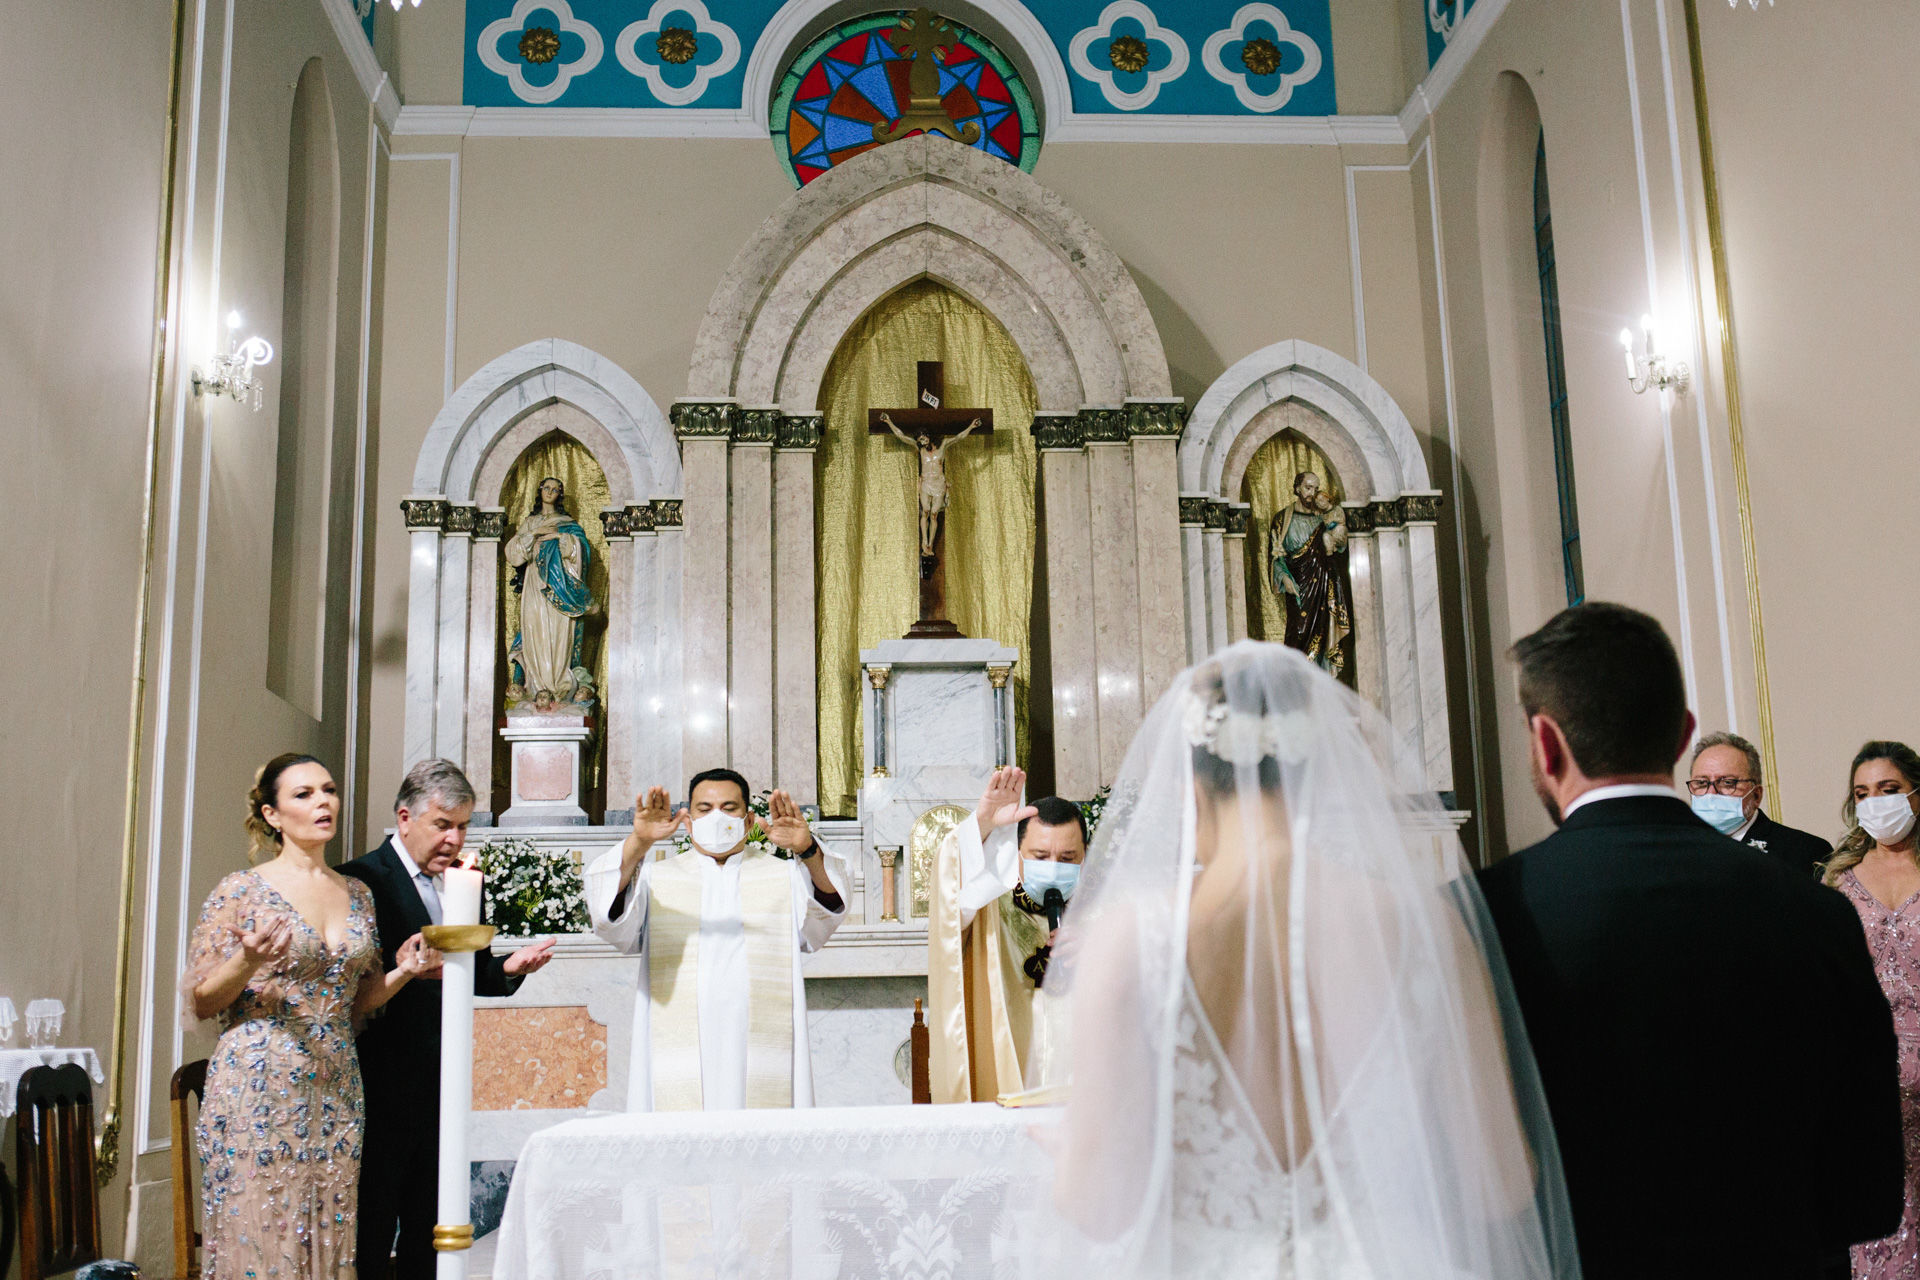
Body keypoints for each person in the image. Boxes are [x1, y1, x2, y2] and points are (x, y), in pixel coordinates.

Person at [1046, 641, 1578, 1277]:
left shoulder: (1129, 939)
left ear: (1190, 788)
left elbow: (1098, 1208)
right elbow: (1501, 1187)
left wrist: (1067, 1145)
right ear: (1323, 770)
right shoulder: (1427, 927)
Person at [1477, 603, 1901, 1278]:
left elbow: (1467, 1192)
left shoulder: (1481, 917)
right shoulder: (1814, 910)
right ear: (1682, 736)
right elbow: (1868, 1197)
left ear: (1545, 743)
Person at [182, 753, 440, 1280]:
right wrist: (248, 960)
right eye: (303, 794)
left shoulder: (359, 893)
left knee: (331, 1230)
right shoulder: (239, 890)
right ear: (272, 815)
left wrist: (402, 973)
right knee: (261, 1235)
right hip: (259, 1087)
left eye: (327, 789)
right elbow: (202, 1001)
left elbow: (356, 999)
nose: (322, 801)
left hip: (338, 1086)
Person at [337, 759, 555, 1280]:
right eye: (443, 824)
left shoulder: (459, 884)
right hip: (378, 1074)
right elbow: (346, 987)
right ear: (405, 817)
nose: (454, 839)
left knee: (429, 1220)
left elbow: (468, 968)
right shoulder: (360, 879)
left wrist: (507, 967)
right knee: (372, 1219)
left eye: (463, 826)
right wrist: (405, 971)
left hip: (441, 1075)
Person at [584, 770, 849, 1109]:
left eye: (729, 807)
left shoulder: (782, 875)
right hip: (676, 1049)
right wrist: (641, 842)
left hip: (761, 1046)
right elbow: (609, 921)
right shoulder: (657, 877)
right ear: (689, 821)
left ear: (749, 819)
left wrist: (808, 849)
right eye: (705, 809)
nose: (717, 817)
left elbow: (828, 913)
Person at [925, 768, 1084, 1101]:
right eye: (1040, 857)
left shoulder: (1107, 913)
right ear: (1018, 852)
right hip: (1005, 1074)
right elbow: (950, 899)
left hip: (1085, 1085)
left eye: (1068, 858)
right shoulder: (989, 903)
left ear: (1086, 855)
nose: (1054, 867)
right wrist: (983, 825)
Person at [1822, 741, 1920, 1280]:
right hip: (1872, 1085)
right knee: (1889, 1235)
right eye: (1862, 793)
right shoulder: (1839, 879)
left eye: (1888, 790)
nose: (1875, 803)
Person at [502, 475, 595, 706]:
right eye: (547, 487)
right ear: (540, 491)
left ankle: (560, 686)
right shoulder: (530, 523)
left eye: (556, 489)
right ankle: (535, 685)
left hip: (559, 585)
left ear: (560, 494)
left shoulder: (566, 522)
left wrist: (559, 536)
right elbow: (514, 554)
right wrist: (534, 533)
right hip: (535, 585)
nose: (551, 492)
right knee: (534, 629)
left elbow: (581, 550)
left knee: (558, 633)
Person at [1687, 730, 1832, 875]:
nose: (1711, 794)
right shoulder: (1678, 851)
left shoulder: (1806, 852)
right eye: (1701, 783)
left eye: (1728, 783)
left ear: (1756, 795)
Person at [1267, 470, 1351, 677]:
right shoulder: (1282, 519)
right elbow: (1276, 556)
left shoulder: (1322, 518)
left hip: (1322, 585)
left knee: (1323, 632)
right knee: (1298, 632)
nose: (1312, 493)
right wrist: (1284, 577)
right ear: (1297, 488)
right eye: (1307, 487)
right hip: (1299, 586)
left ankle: (1321, 681)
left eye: (1315, 488)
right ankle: (1297, 681)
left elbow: (1338, 547)